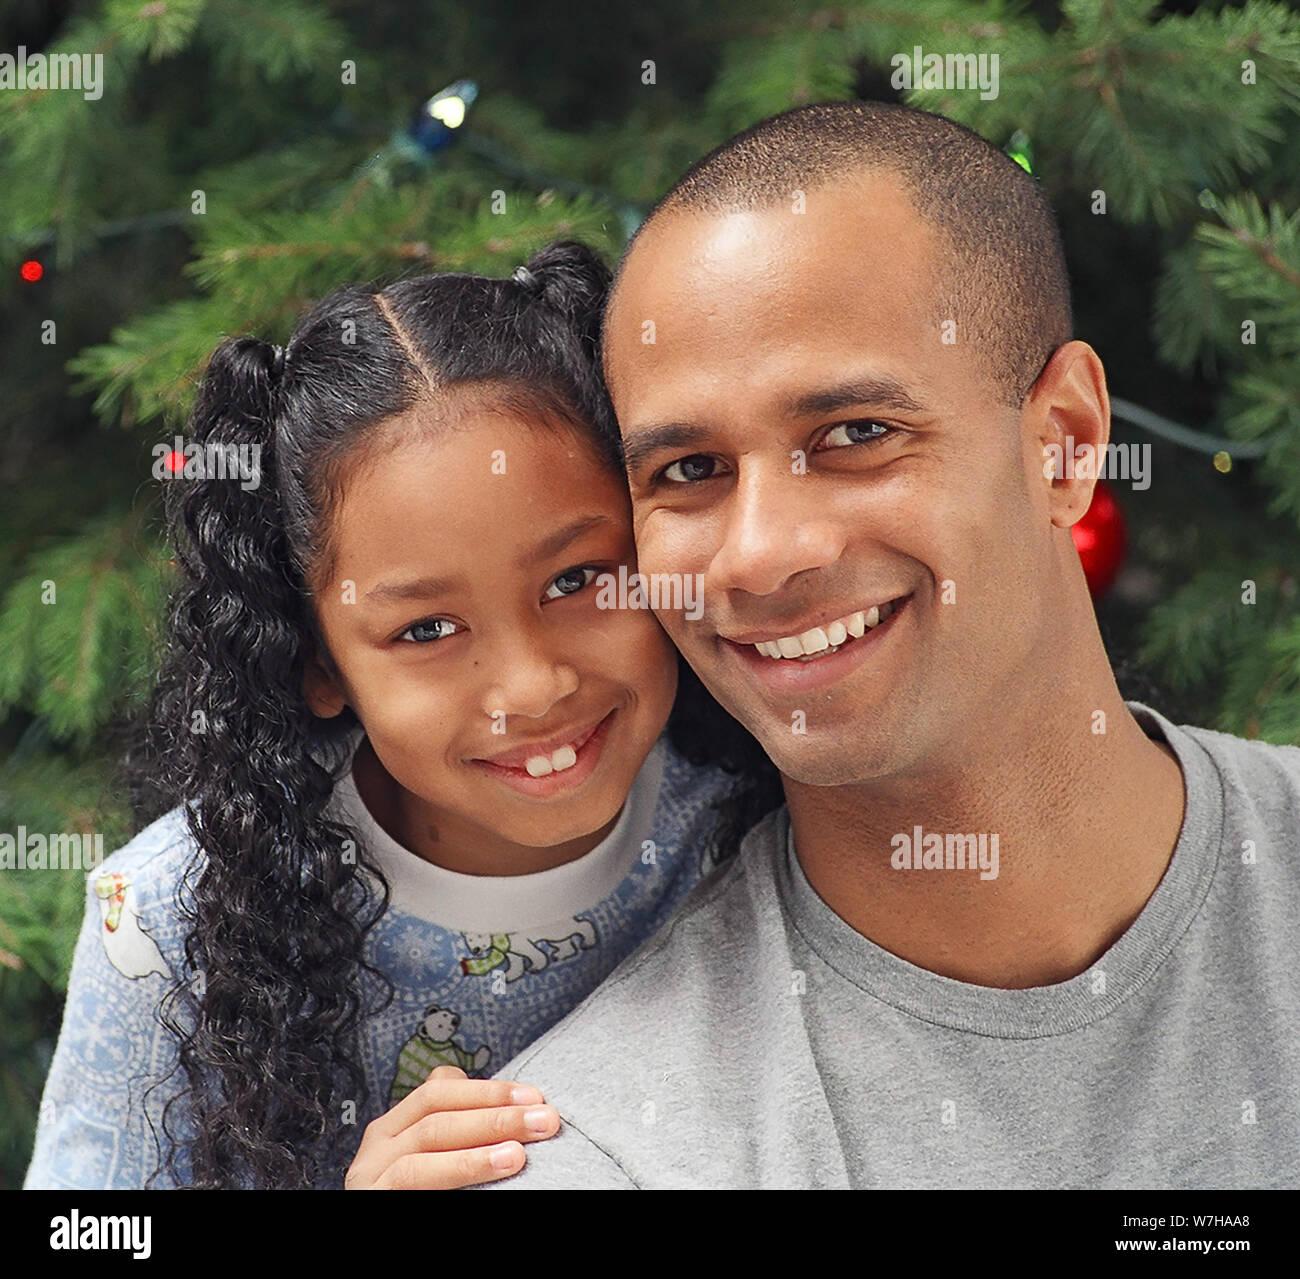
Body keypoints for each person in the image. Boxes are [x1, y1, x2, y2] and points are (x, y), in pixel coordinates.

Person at [481, 102, 1300, 1189]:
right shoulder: (602, 1156)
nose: (760, 556)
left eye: (855, 435)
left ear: (1061, 443)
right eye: (687, 470)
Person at [23, 242, 780, 1191]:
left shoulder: (761, 813)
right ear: (318, 663)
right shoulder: (170, 929)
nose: (531, 686)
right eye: (426, 627)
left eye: (578, 578)